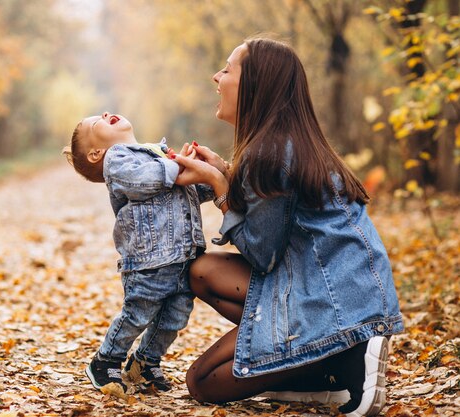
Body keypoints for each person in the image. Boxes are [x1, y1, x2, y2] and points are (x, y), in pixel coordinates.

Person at [171, 37, 404, 417]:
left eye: (228, 69)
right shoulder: (283, 143)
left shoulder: (269, 152)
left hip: (330, 299)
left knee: (203, 382)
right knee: (201, 272)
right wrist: (225, 172)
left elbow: (263, 255)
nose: (217, 76)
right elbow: (274, 219)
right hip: (345, 287)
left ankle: (343, 353)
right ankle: (329, 370)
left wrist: (218, 187)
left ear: (255, 85)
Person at [63, 112, 215, 393]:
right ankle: (106, 360)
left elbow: (185, 192)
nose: (106, 113)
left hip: (183, 256)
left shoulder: (157, 153)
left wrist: (202, 174)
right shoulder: (118, 160)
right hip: (149, 261)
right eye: (96, 120)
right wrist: (177, 168)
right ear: (97, 153)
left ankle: (145, 361)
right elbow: (142, 182)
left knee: (175, 317)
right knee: (137, 314)